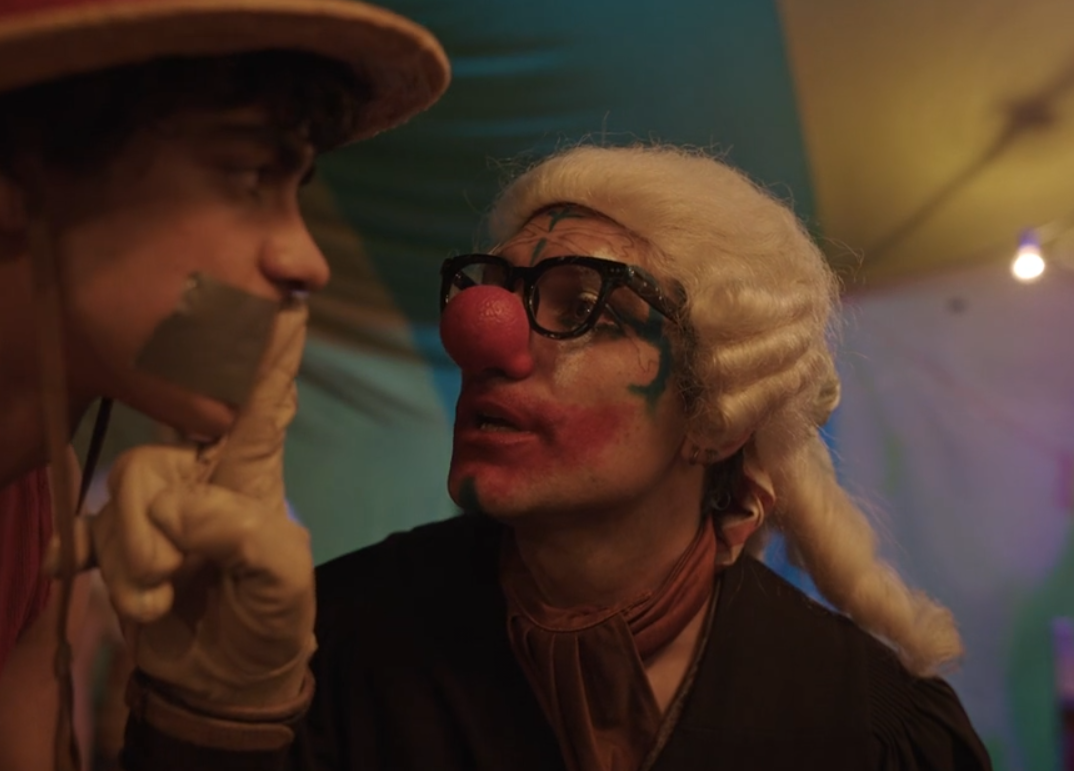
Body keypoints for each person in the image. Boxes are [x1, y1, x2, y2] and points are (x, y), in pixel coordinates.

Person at [88, 143, 992, 770]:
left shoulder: (867, 730)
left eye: (583, 306)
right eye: (495, 288)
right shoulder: (332, 648)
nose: (488, 340)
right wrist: (215, 727)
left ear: (715, 420)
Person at [0, 0, 449, 767]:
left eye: (297, 187)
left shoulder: (22, 492)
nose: (305, 261)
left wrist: (216, 712)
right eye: (249, 172)